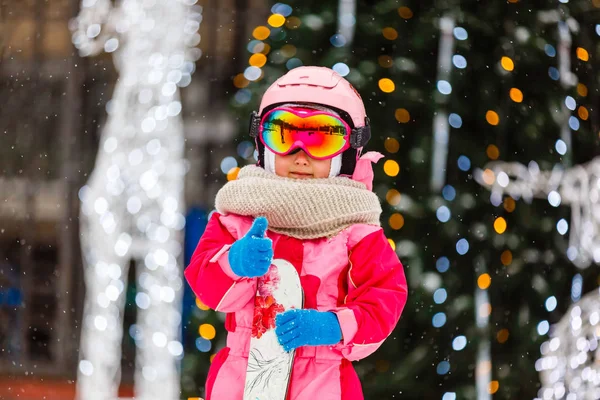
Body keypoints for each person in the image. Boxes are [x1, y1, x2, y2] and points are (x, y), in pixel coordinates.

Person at [184, 66, 408, 400]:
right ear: (263, 142)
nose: (300, 156)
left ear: (349, 150)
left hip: (323, 382)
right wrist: (235, 262)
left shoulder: (356, 230)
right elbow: (204, 281)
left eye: (321, 138)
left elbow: (384, 298)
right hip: (243, 377)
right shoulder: (239, 216)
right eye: (284, 135)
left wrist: (334, 326)